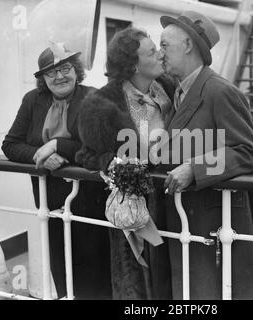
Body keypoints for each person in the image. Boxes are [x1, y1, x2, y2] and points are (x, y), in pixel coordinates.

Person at [158, 11, 253, 299]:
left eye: (164, 45)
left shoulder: (220, 92)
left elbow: (247, 151)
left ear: (188, 45)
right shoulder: (178, 92)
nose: (160, 52)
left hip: (213, 220)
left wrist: (194, 169)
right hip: (188, 217)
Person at [2, 43, 112, 299]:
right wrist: (41, 157)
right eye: (51, 72)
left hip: (89, 200)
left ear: (77, 70)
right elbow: (10, 144)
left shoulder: (93, 98)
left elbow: (101, 147)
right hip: (49, 198)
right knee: (62, 268)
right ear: (43, 79)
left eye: (65, 68)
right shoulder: (33, 100)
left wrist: (58, 145)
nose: (60, 76)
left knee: (94, 273)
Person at [75, 27, 174, 299]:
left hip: (175, 203)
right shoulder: (100, 105)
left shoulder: (169, 89)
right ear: (132, 65)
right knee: (137, 286)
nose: (161, 55)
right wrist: (116, 164)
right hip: (136, 211)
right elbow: (86, 154)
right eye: (153, 52)